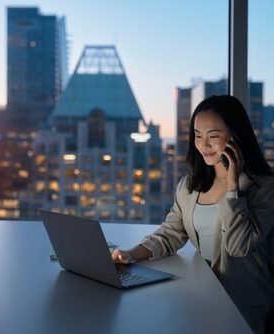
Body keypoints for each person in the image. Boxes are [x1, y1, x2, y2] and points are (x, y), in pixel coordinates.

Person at [112, 95, 274, 334]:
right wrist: (129, 254)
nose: (204, 145)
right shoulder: (190, 185)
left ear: (236, 136)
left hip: (244, 304)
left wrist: (232, 188)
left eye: (213, 136)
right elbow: (170, 233)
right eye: (198, 136)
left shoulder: (264, 188)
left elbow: (238, 246)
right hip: (203, 294)